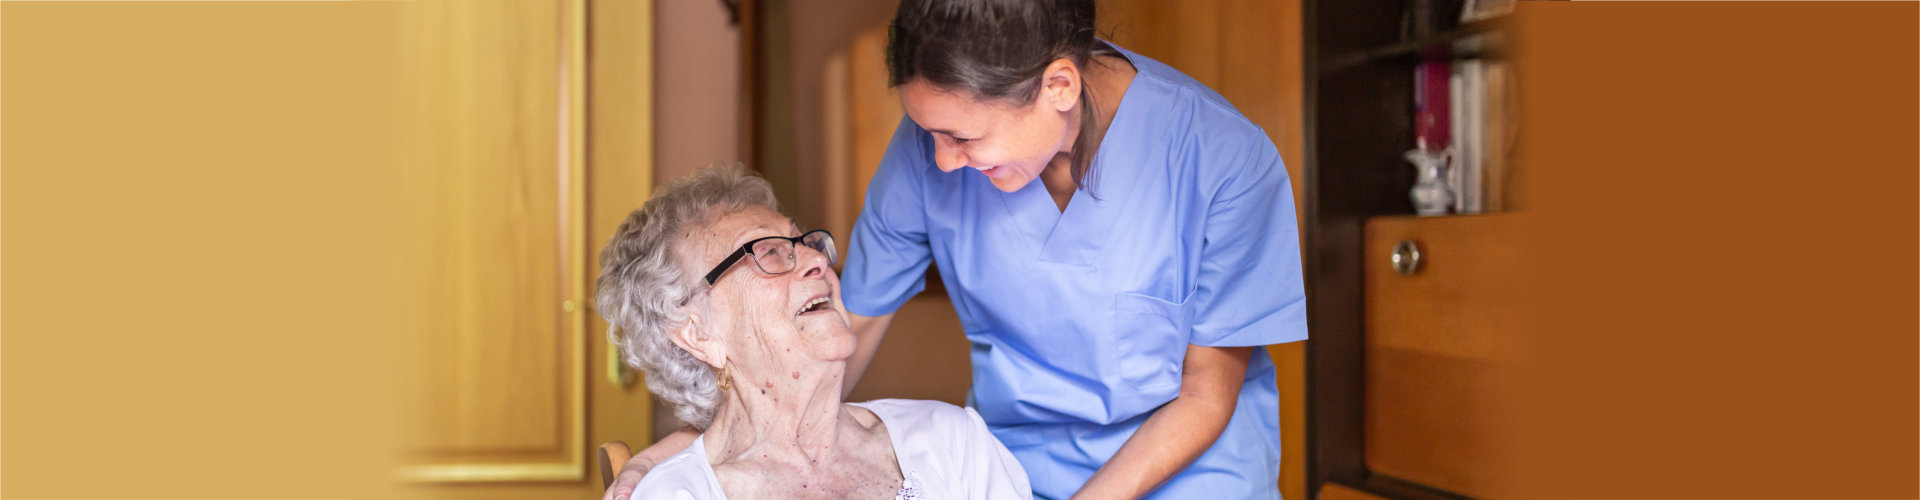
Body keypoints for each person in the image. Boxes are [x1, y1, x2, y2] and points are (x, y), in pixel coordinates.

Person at [837, 0, 1310, 498]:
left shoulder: (1223, 158)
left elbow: (1204, 396)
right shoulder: (927, 148)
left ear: (1058, 86)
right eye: (929, 133)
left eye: (962, 137)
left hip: (1194, 478)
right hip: (1013, 474)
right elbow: (856, 320)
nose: (943, 160)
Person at [595, 163, 1030, 500]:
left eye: (806, 243)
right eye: (768, 252)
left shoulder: (952, 441)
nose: (817, 260)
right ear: (697, 333)